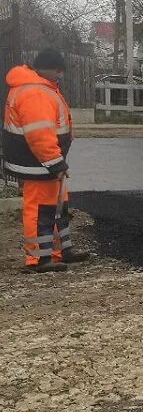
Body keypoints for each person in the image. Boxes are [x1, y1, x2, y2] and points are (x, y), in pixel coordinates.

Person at [2, 48, 89, 272]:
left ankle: (61, 251)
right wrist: (55, 162)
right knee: (41, 209)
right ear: (49, 69)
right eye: (58, 71)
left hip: (44, 161)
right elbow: (39, 134)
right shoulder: (35, 93)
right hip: (38, 163)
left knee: (58, 205)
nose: (61, 76)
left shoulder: (41, 88)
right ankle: (39, 259)